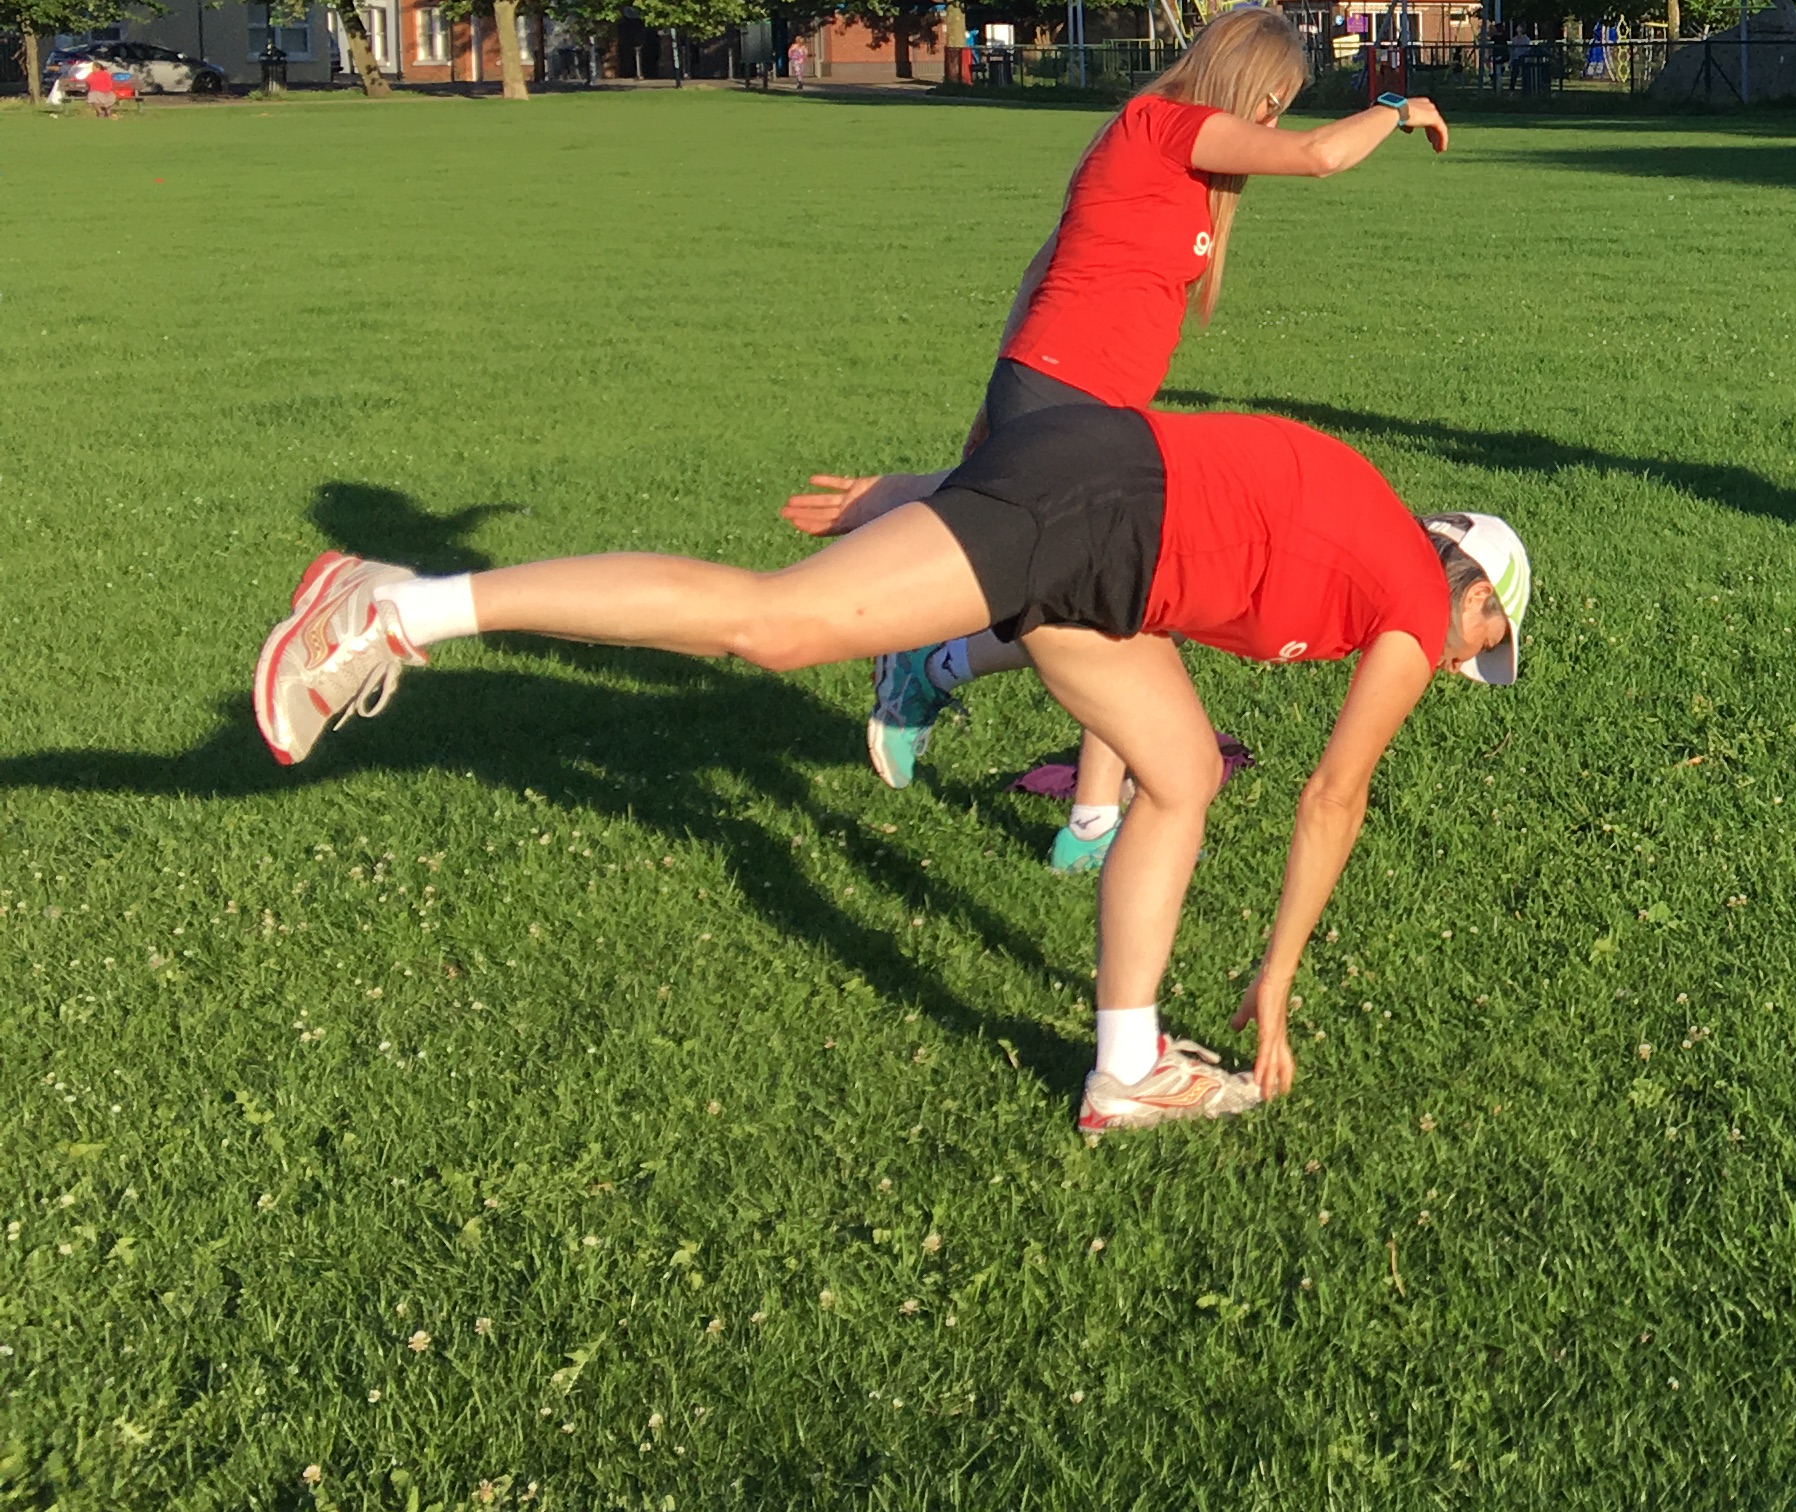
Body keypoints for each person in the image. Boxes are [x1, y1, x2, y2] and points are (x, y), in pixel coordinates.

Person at [250, 403, 1531, 1140]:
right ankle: (399, 609)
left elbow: (1149, 476)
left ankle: (1127, 1067)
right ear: (1470, 589)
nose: (1467, 659)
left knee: (1182, 771)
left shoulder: (1357, 530)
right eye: (1489, 636)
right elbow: (1333, 796)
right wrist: (1277, 978)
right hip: (1092, 521)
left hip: (1100, 534)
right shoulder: (1412, 602)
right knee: (773, 625)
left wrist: (915, 492)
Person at [796, 4, 1445, 874]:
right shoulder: (1159, 125)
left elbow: (1042, 264)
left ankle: (1086, 809)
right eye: (1271, 100)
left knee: (1124, 603)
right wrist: (1399, 108)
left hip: (1093, 406)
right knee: (1091, 598)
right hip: (1061, 387)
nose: (1271, 122)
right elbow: (1320, 156)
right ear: (1241, 78)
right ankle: (931, 667)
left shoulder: (1180, 155)